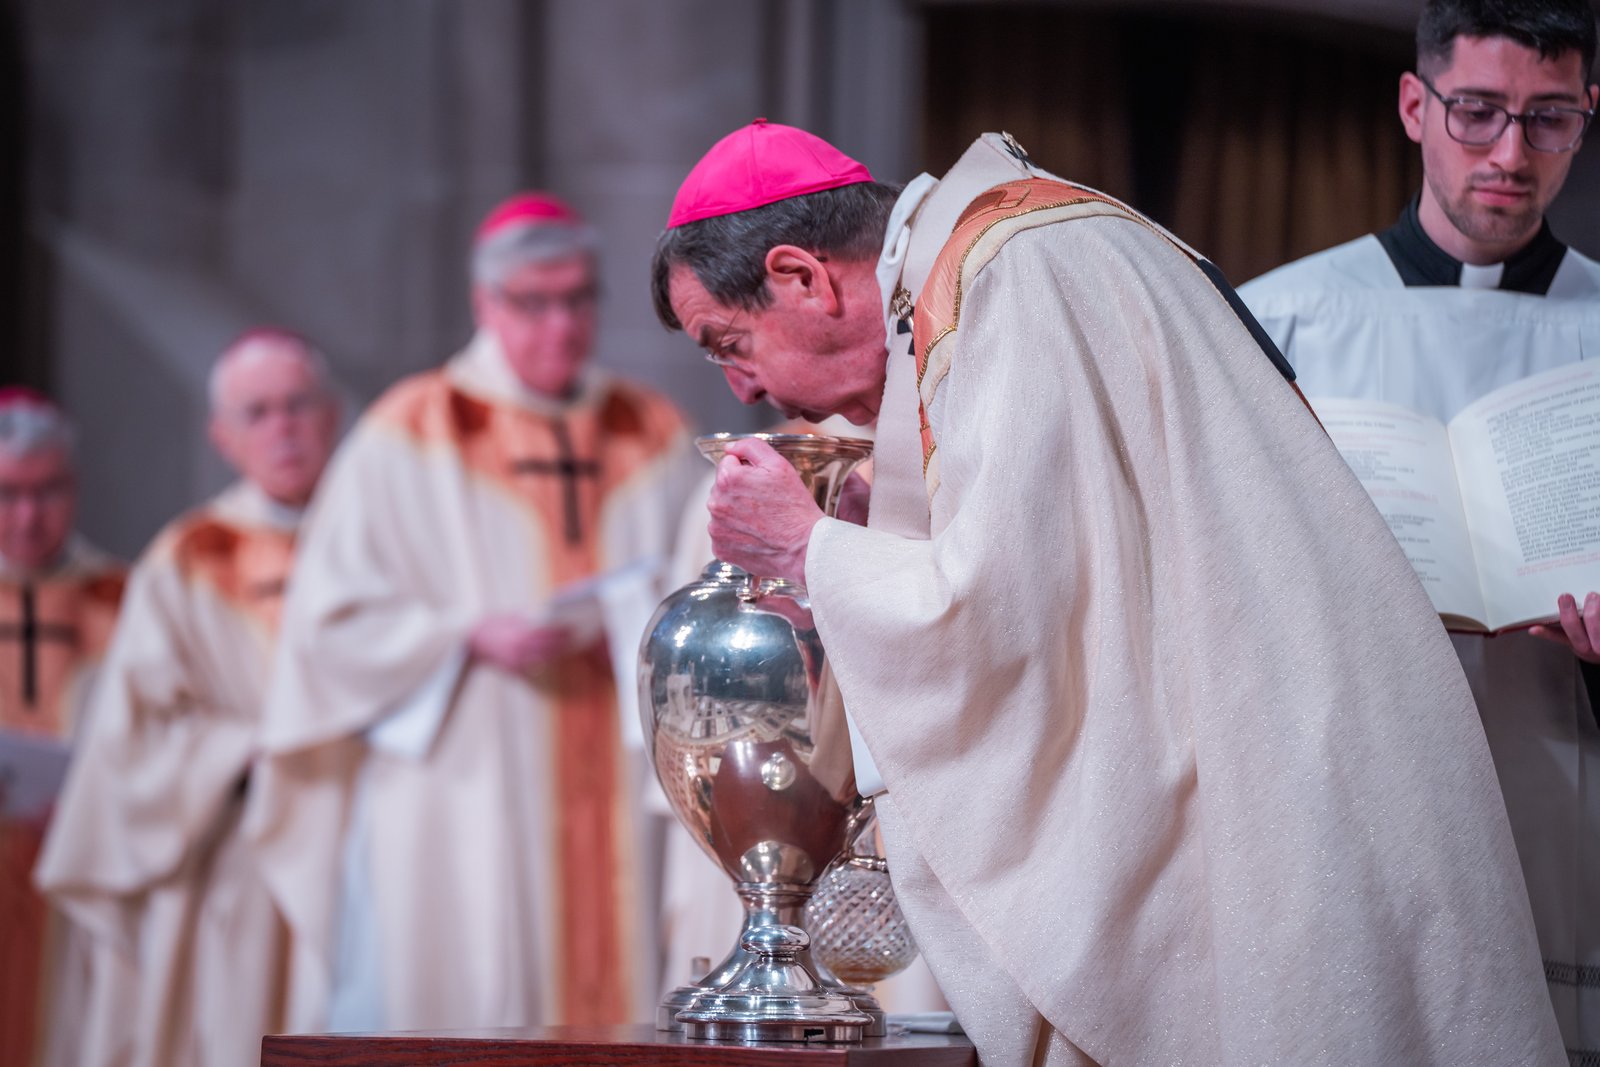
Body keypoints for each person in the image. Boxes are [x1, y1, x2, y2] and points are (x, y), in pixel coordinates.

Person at [649, 119, 1564, 1064]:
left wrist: (809, 550)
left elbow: (1009, 624)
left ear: (803, 276)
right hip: (1299, 750)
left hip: (1277, 788)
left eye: (729, 342)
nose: (742, 388)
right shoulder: (1014, 250)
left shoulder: (1007, 279)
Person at [247, 193, 702, 1034]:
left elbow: (701, 581)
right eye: (534, 303)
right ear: (484, 304)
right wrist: (460, 636)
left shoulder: (652, 429)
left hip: (615, 747)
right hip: (469, 769)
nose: (560, 325)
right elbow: (326, 623)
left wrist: (639, 629)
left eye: (578, 299)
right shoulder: (411, 429)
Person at [1238, 1, 1599, 1057]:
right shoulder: (1281, 321)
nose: (1508, 152)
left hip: (1565, 787)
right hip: (1356, 792)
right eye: (1477, 112)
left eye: (1549, 121)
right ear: (1414, 103)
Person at [33, 329, 340, 1067]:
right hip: (233, 851)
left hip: (348, 840)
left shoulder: (373, 536)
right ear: (222, 436)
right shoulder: (188, 557)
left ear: (331, 415)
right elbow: (135, 735)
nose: (283, 427)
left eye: (298, 405)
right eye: (258, 411)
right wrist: (241, 749)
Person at [0, 389, 124, 1067]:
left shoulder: (127, 598)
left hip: (83, 879)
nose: (27, 516)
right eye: (7, 494)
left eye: (47, 491)